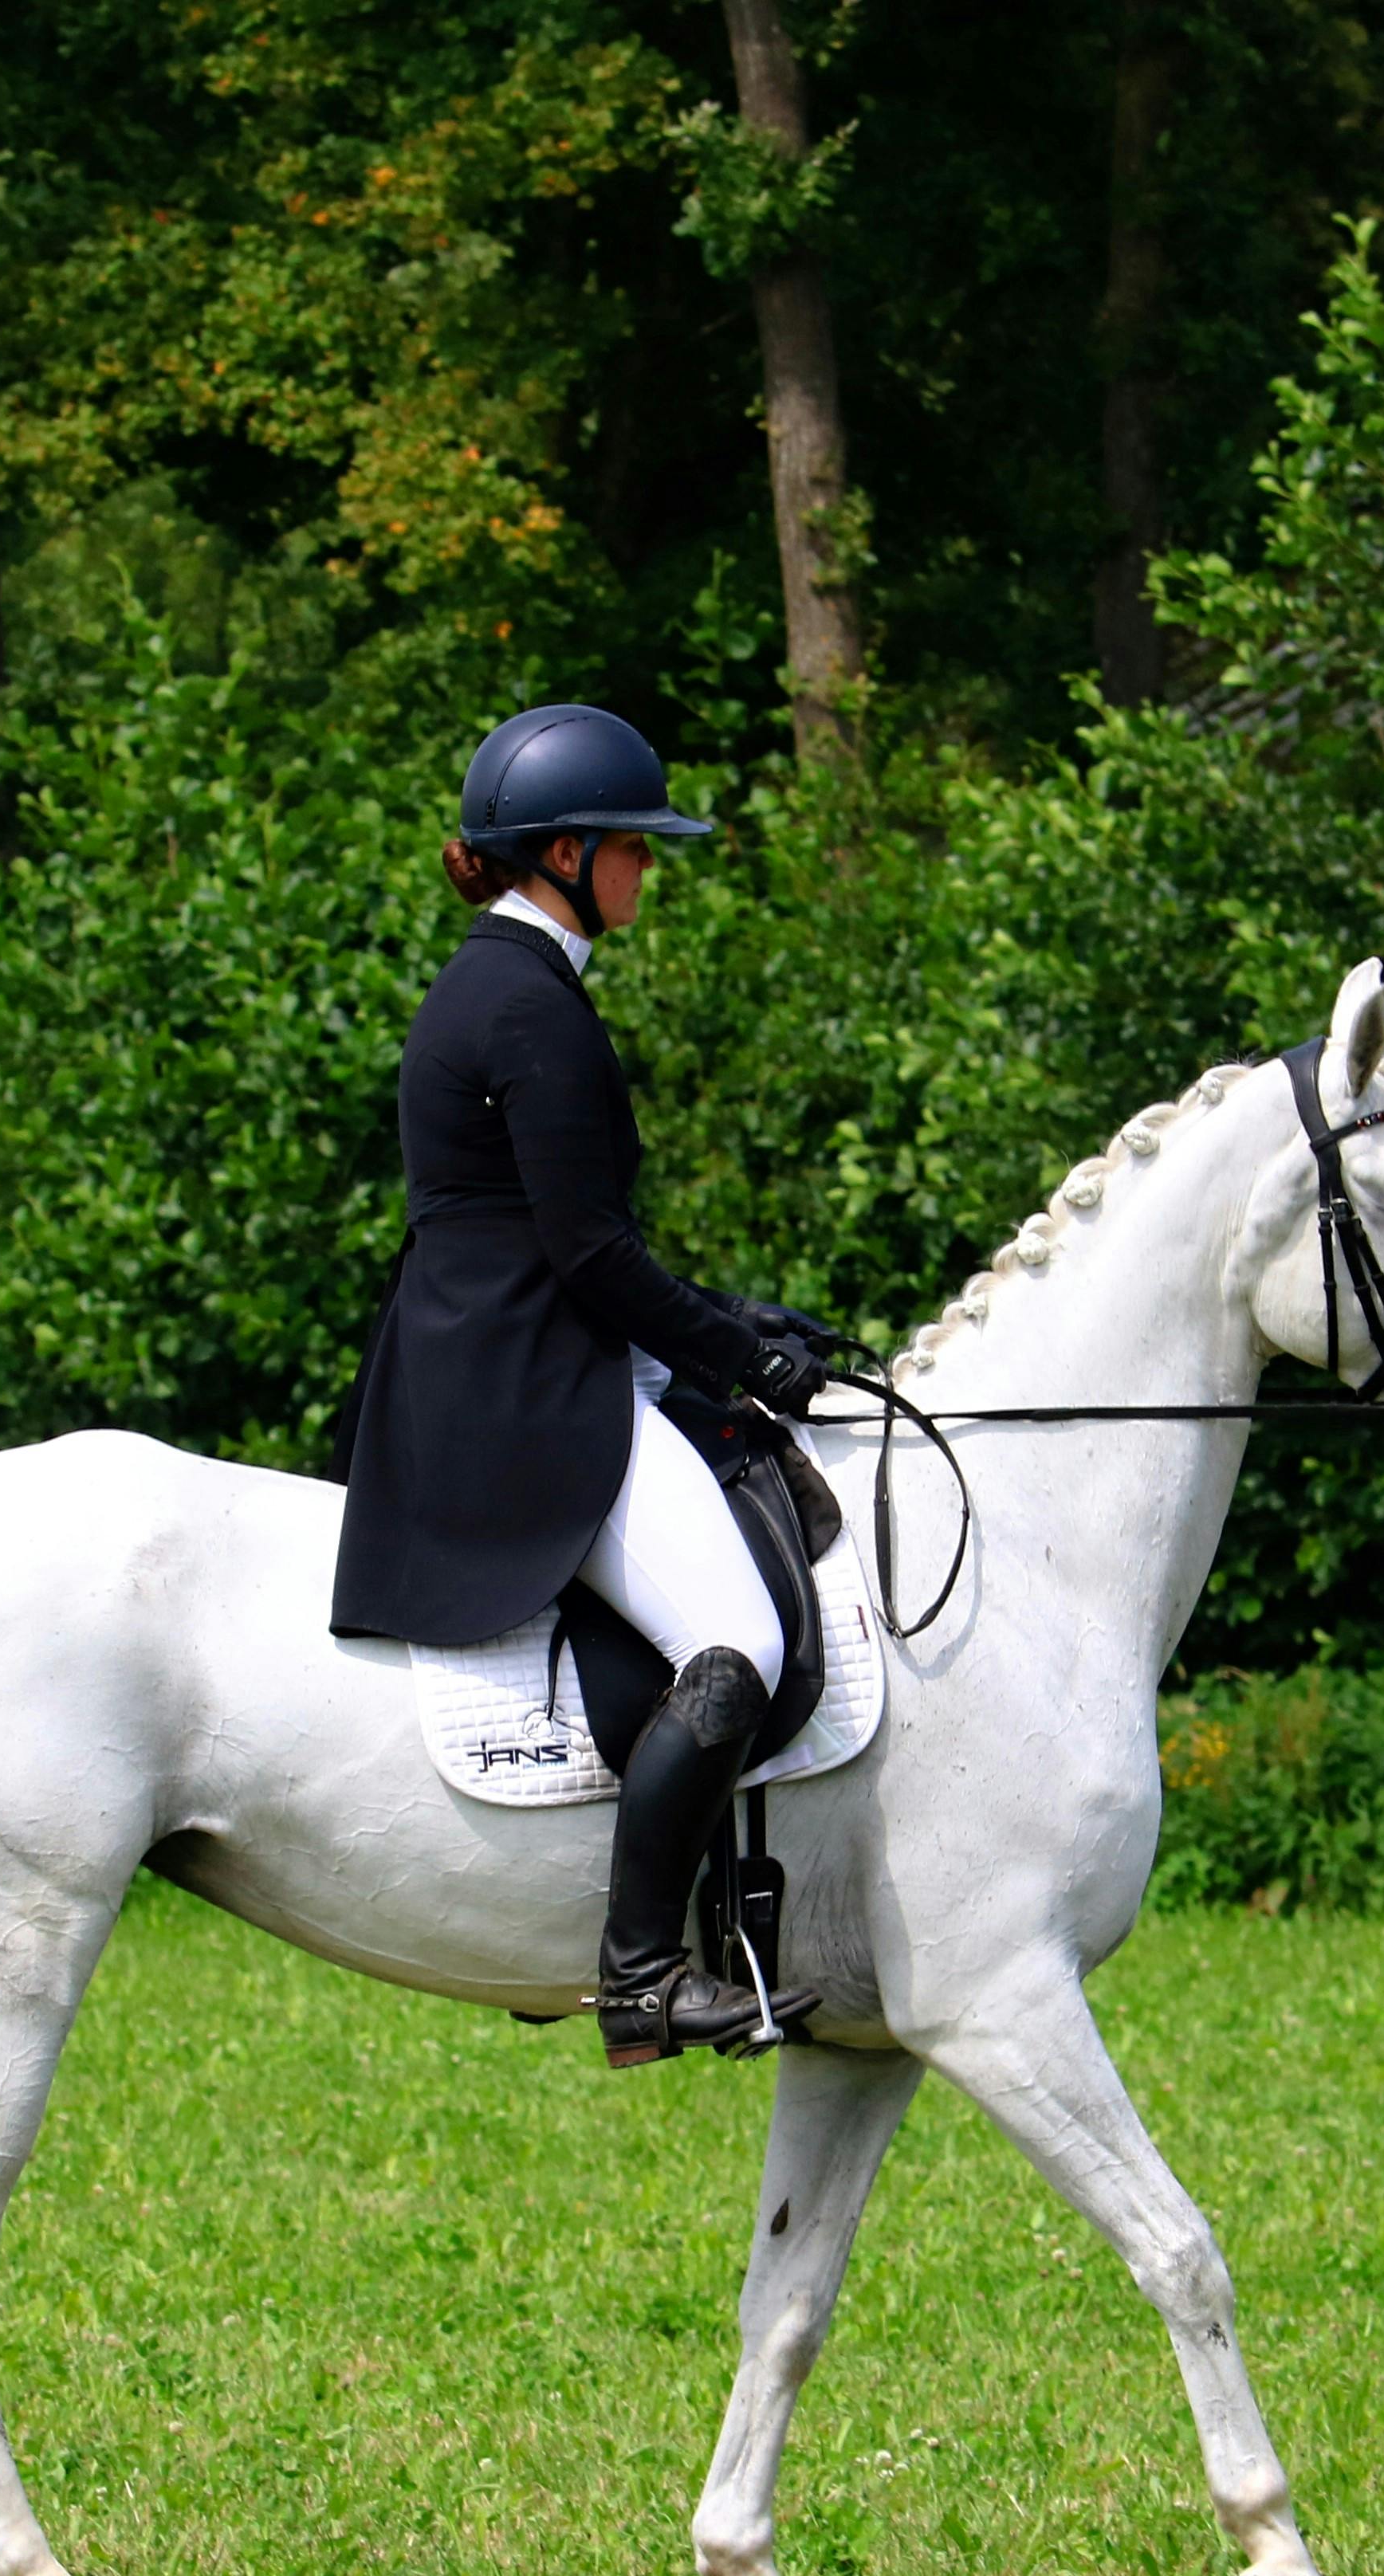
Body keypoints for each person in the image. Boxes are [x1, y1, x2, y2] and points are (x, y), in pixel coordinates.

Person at [330, 704, 832, 2067]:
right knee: (741, 1646)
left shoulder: (496, 987)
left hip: (502, 1354)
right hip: (529, 1391)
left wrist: (731, 1318)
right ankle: (644, 1974)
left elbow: (552, 1233)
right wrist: (740, 1356)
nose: (646, 872)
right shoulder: (528, 1005)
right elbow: (589, 1252)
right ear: (563, 853)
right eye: (632, 849)